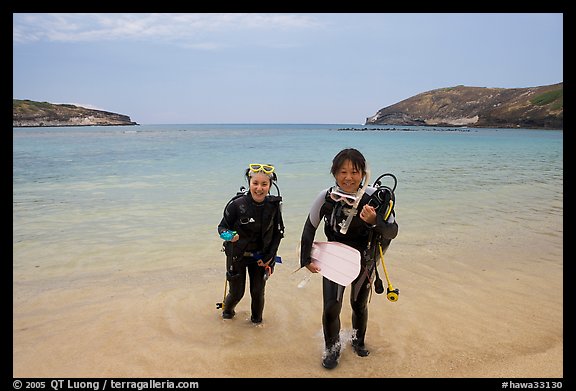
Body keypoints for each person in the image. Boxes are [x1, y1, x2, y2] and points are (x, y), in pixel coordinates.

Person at [299, 148, 399, 369]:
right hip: (334, 257)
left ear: (363, 173)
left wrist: (375, 221)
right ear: (334, 173)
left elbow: (392, 232)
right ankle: (332, 349)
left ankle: (358, 341)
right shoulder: (326, 197)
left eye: (354, 172)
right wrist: (305, 259)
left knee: (358, 304)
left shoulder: (376, 198)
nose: (348, 177)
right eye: (342, 172)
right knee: (331, 306)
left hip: (365, 259)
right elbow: (309, 228)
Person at [217, 163, 285, 324]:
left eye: (264, 184)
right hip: (237, 255)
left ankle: (256, 325)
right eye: (255, 183)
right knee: (237, 293)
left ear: (270, 185)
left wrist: (269, 257)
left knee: (257, 293)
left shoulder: (273, 206)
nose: (259, 188)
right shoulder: (236, 205)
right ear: (249, 182)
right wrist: (229, 236)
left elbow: (278, 233)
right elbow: (221, 228)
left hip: (260, 257)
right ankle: (226, 314)